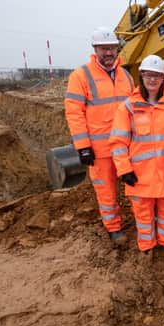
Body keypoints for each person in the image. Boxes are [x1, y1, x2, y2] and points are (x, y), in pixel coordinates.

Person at [110, 55, 164, 261]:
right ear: (141, 77)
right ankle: (146, 244)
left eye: (157, 76)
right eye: (148, 75)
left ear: (163, 78)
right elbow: (118, 142)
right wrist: (124, 169)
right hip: (140, 175)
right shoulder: (128, 107)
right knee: (143, 213)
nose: (152, 80)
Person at [64, 27, 134, 247]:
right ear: (95, 50)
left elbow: (134, 109)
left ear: (116, 49)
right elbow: (74, 112)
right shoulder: (80, 76)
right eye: (104, 49)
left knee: (135, 185)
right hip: (100, 149)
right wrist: (83, 146)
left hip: (126, 147)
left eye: (111, 48)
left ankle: (141, 220)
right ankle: (113, 228)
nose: (108, 53)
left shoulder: (126, 75)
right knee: (106, 190)